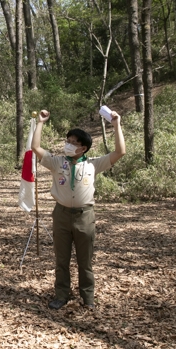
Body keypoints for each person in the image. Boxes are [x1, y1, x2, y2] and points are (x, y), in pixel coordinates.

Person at [31, 109, 125, 310]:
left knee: (85, 261)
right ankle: (61, 295)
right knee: (61, 260)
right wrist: (40, 123)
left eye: (74, 143)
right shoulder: (58, 162)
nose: (69, 145)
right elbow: (36, 147)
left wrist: (116, 125)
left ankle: (88, 297)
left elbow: (120, 152)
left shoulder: (93, 164)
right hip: (61, 215)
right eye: (68, 141)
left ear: (83, 148)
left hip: (85, 217)